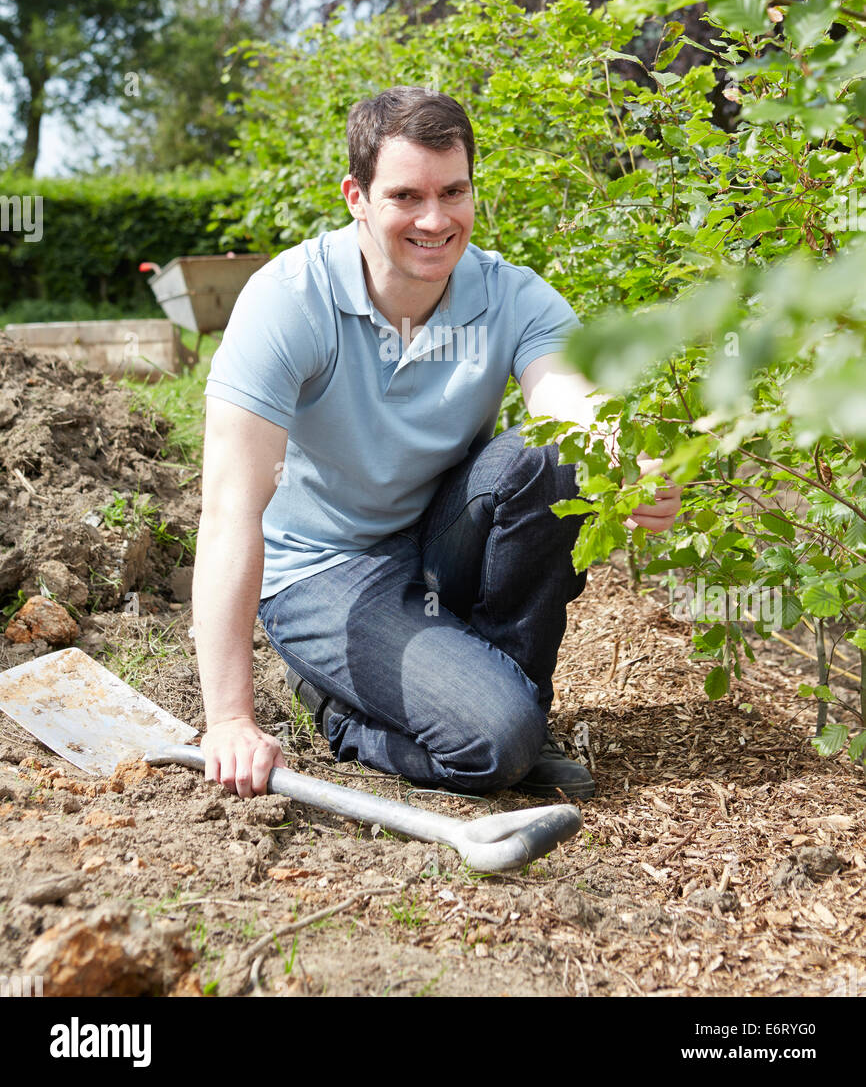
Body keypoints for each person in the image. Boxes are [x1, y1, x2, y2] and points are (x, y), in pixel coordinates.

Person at [193, 87, 682, 802]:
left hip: (432, 542)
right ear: (356, 196)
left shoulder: (510, 296)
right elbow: (230, 509)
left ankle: (509, 710)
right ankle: (346, 710)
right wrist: (229, 718)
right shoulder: (289, 302)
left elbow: (568, 399)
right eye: (406, 196)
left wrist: (623, 457)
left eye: (454, 192)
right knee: (494, 743)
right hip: (322, 571)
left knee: (552, 457)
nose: (434, 219)